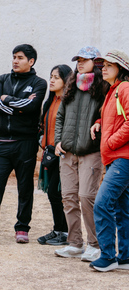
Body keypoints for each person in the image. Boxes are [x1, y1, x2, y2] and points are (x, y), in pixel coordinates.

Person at [0, 44, 47, 243]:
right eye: (14, 57)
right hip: (3, 142)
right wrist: (18, 104)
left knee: (25, 187)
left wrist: (8, 100)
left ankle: (22, 228)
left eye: (20, 57)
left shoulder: (39, 83)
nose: (15, 60)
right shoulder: (3, 79)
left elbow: (32, 106)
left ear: (31, 61)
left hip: (26, 143)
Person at [54, 46, 105, 261]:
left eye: (85, 59)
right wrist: (58, 140)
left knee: (87, 197)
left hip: (90, 152)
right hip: (67, 152)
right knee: (68, 198)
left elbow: (105, 118)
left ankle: (94, 244)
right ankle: (75, 243)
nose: (80, 63)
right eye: (78, 60)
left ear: (96, 62)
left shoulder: (103, 87)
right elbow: (60, 116)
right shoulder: (71, 85)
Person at [89, 49, 129, 272]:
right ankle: (125, 257)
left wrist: (111, 142)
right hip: (116, 158)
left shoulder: (125, 88)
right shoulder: (112, 91)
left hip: (123, 157)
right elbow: (114, 117)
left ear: (120, 69)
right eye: (102, 65)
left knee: (103, 203)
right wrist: (98, 122)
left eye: (109, 65)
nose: (103, 68)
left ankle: (108, 256)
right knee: (123, 210)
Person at [37, 64, 71, 246]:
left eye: (56, 77)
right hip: (50, 153)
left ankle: (65, 232)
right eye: (51, 76)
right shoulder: (50, 101)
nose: (51, 80)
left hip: (64, 153)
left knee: (57, 193)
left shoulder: (69, 102)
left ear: (66, 80)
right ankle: (59, 229)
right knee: (53, 194)